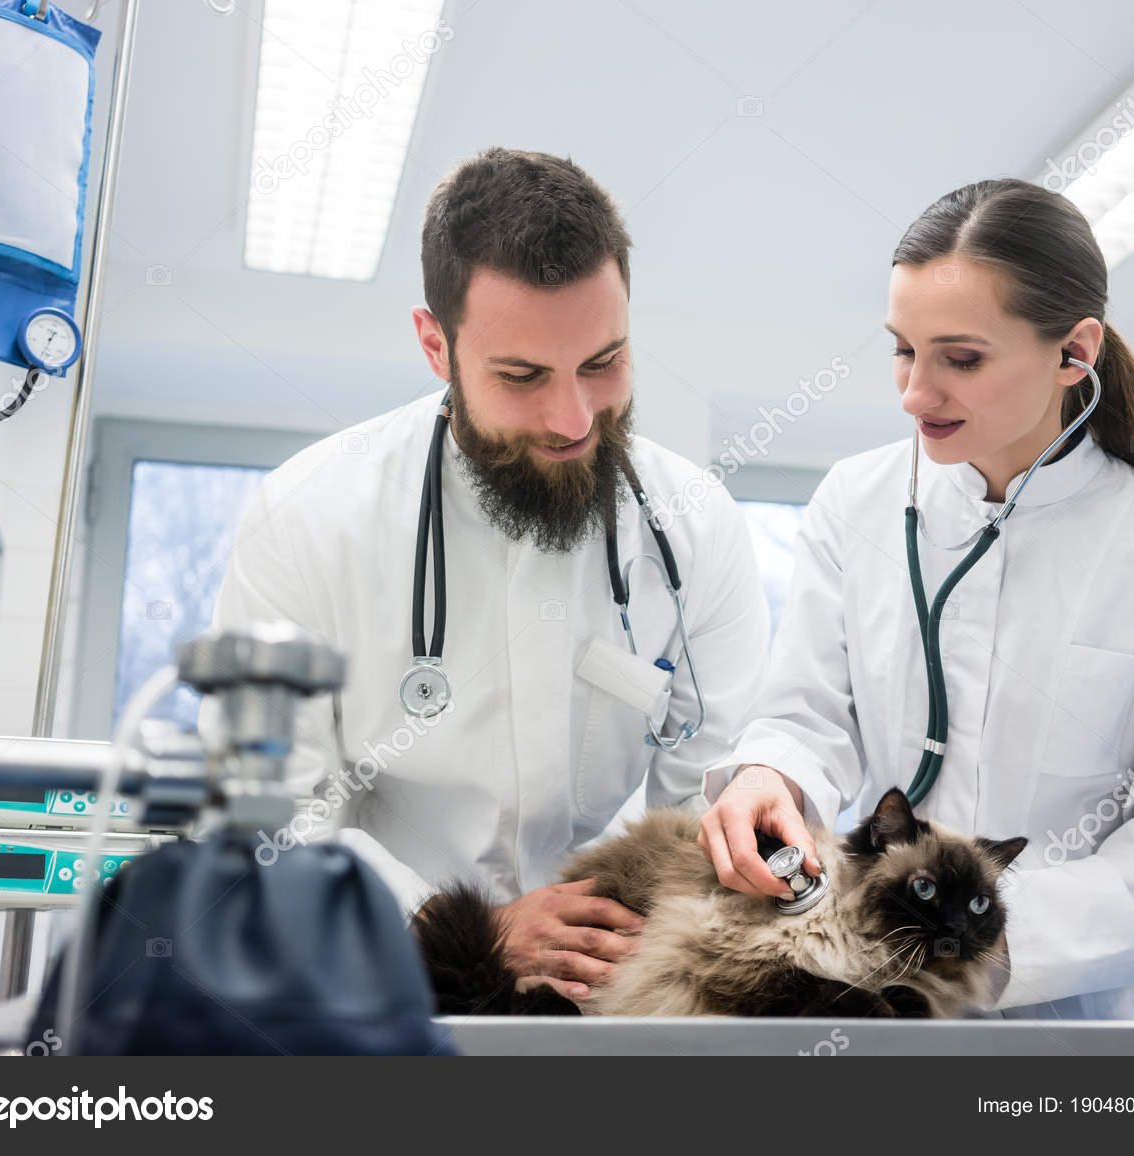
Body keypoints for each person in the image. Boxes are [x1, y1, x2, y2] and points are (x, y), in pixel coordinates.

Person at [696, 178, 1134, 1019]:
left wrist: (989, 945)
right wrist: (771, 773)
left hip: (1100, 1020)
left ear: (1074, 352)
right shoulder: (855, 503)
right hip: (891, 993)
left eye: (961, 359)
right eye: (903, 351)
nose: (915, 394)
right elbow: (808, 711)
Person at [210, 148, 770, 1003]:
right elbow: (265, 817)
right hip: (376, 966)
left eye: (603, 363)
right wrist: (462, 932)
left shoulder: (694, 526)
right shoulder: (309, 517)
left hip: (602, 979)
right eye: (521, 376)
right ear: (436, 345)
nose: (572, 418)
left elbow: (715, 800)